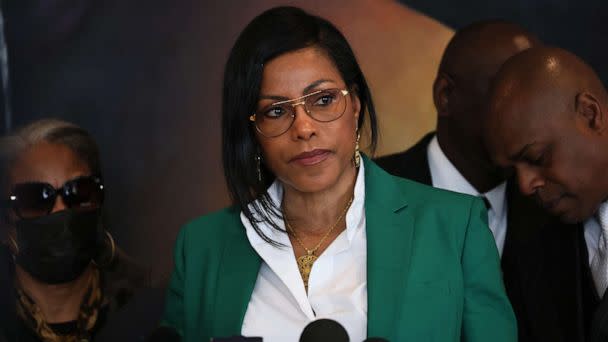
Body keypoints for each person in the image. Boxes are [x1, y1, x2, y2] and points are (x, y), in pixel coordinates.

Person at [161, 6, 516, 342]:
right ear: (252, 132)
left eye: (323, 100)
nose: (303, 128)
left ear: (356, 106)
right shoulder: (201, 247)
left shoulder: (456, 227)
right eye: (276, 111)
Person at [375, 20, 540, 258]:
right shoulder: (370, 194)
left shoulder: (551, 209)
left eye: (538, 95)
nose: (531, 113)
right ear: (445, 96)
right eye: (509, 93)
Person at [484, 46, 608, 342]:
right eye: (513, 172)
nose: (526, 185)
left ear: (590, 115)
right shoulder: (528, 240)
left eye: (537, 157)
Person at [0, 119, 164, 341]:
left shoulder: (150, 314)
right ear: (6, 220)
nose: (60, 210)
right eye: (35, 198)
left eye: (78, 192)